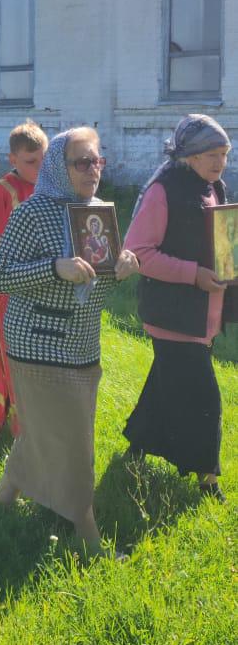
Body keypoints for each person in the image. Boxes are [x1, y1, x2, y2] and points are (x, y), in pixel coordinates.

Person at [0, 128, 139, 553]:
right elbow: (1, 277)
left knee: (48, 428)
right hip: (37, 341)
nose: (93, 170)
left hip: (82, 343)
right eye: (82, 163)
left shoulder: (98, 213)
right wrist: (55, 267)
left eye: (97, 161)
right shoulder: (32, 213)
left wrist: (121, 268)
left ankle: (8, 491)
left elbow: (95, 291)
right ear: (59, 166)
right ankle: (86, 532)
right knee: (75, 440)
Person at [122, 114, 233, 503]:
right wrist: (194, 274)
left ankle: (137, 444)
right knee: (205, 395)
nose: (220, 162)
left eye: (224, 153)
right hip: (173, 314)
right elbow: (138, 253)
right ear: (189, 155)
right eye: (211, 154)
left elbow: (219, 243)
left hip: (204, 313)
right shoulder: (163, 191)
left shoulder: (212, 186)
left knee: (166, 382)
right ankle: (207, 478)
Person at [0, 120, 48, 434]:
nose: (38, 169)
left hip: (42, 285)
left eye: (43, 161)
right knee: (10, 347)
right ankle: (19, 421)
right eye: (31, 162)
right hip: (6, 290)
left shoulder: (48, 189)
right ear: (12, 159)